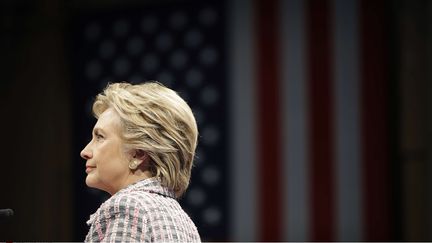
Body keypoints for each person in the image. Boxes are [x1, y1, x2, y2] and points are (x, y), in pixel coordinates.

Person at [80, 81, 201, 242]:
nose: (85, 152)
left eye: (100, 137)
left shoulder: (127, 208)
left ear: (138, 154)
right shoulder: (185, 223)